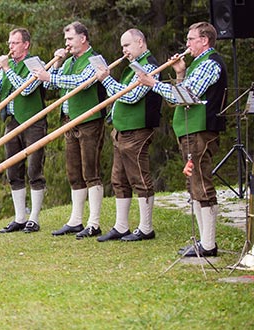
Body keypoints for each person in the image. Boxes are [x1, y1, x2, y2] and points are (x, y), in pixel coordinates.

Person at [138, 22, 227, 257]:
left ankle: (209, 244)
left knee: (201, 183)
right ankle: (203, 241)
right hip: (190, 131)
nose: (187, 44)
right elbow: (181, 95)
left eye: (191, 39)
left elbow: (188, 96)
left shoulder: (209, 63)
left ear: (204, 40)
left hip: (201, 130)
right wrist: (179, 73)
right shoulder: (198, 64)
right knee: (193, 185)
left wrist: (153, 84)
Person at [32, 21, 107, 239]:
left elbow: (81, 82)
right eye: (66, 40)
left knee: (90, 171)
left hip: (89, 120)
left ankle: (94, 223)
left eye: (70, 39)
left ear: (83, 39)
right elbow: (50, 86)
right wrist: (55, 66)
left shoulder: (95, 60)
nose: (67, 43)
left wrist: (51, 76)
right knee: (74, 172)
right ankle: (76, 220)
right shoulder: (70, 61)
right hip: (69, 121)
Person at [93, 29, 162, 242]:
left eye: (127, 45)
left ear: (140, 42)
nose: (124, 51)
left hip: (138, 130)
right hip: (122, 130)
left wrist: (106, 80)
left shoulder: (149, 66)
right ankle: (121, 226)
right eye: (122, 46)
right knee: (119, 179)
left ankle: (146, 227)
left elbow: (131, 96)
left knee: (139, 178)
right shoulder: (132, 67)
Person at [0, 28, 47, 234]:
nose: (10, 47)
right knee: (13, 170)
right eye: (9, 43)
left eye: (14, 43)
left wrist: (7, 69)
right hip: (12, 122)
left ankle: (34, 218)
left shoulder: (35, 64)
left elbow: (27, 89)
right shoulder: (8, 66)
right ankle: (20, 217)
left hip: (33, 122)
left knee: (34, 169)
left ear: (26, 45)